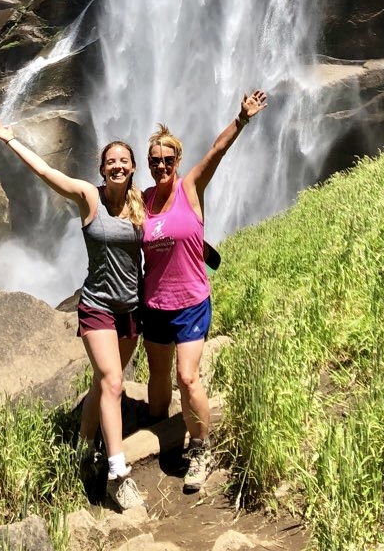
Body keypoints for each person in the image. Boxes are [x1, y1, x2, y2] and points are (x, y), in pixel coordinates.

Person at [0, 115, 145, 511]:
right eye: (111, 161)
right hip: (96, 306)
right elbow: (46, 171)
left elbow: (174, 225)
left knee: (105, 382)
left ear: (133, 167)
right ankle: (117, 473)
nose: (118, 166)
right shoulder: (88, 197)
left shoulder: (142, 204)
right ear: (101, 169)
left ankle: (83, 446)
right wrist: (11, 141)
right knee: (112, 380)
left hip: (130, 309)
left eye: (124, 160)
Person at [141, 89, 268, 493]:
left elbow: (216, 151)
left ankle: (201, 447)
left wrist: (242, 119)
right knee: (158, 377)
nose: (161, 166)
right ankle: (158, 430)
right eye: (154, 161)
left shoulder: (190, 187)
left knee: (186, 376)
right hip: (154, 304)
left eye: (167, 160)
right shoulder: (140, 201)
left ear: (177, 162)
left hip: (191, 302)